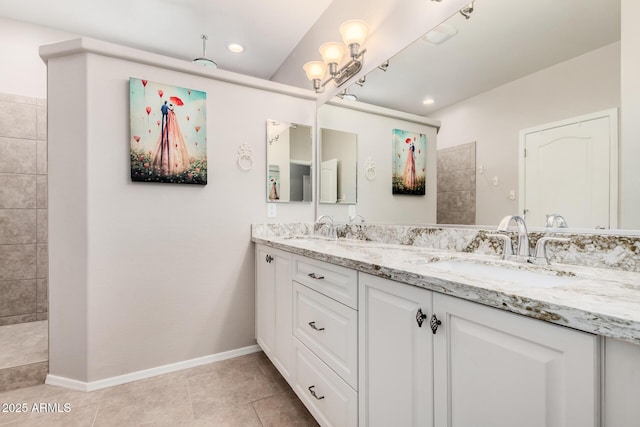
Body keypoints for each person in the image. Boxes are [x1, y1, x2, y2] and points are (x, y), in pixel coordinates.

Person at [151, 102, 191, 176]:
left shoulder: (171, 113)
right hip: (169, 126)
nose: (171, 106)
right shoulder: (170, 112)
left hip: (171, 126)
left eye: (172, 105)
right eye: (170, 105)